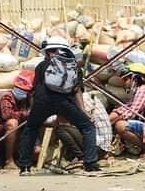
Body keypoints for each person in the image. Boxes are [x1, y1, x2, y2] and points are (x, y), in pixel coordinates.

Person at [17, 37, 99, 175]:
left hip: (42, 102)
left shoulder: (42, 66)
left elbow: (35, 89)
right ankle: (90, 163)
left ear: (48, 52)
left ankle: (25, 167)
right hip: (65, 102)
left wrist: (33, 109)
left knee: (31, 128)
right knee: (88, 127)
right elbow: (77, 91)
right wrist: (83, 112)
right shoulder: (74, 67)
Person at [56, 89, 113, 164]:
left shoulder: (79, 101)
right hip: (103, 148)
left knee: (61, 129)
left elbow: (63, 121)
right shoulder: (90, 98)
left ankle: (81, 157)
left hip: (97, 149)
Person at [0, 69, 33, 168]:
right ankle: (9, 160)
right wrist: (25, 114)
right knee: (12, 123)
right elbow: (6, 115)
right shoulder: (8, 97)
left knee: (36, 152)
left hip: (19, 133)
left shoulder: (26, 100)